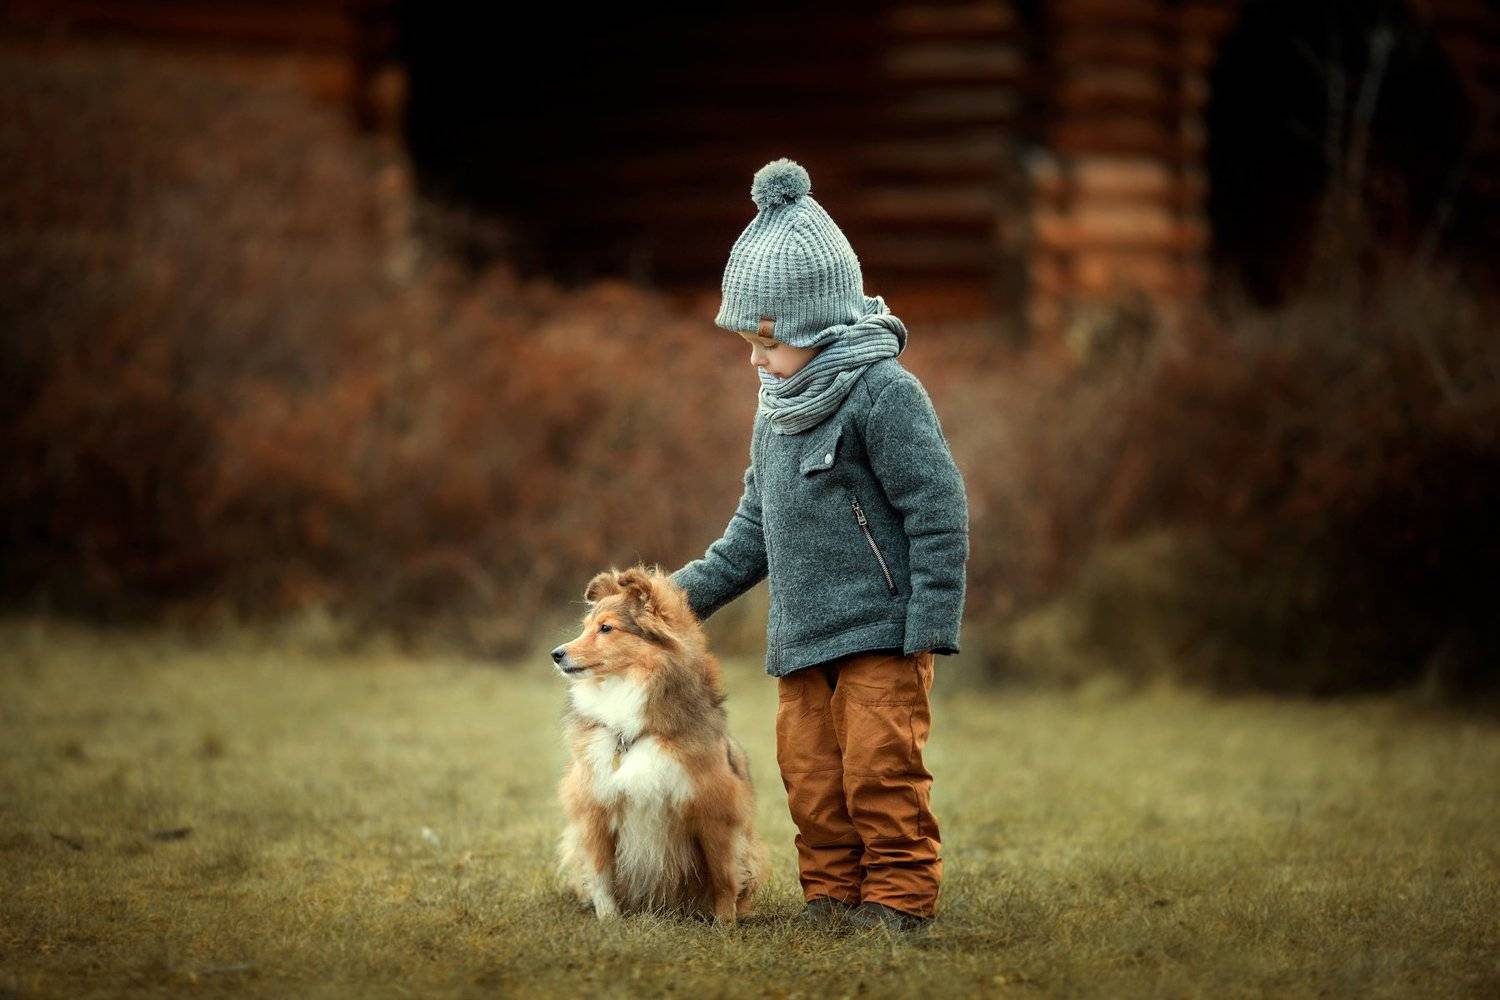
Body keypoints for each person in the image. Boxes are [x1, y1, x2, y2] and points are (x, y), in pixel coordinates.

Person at [669, 157, 969, 932]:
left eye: (767, 338)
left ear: (815, 323)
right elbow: (750, 536)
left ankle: (899, 899)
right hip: (801, 638)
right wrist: (669, 601)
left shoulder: (883, 392)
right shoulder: (775, 412)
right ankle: (831, 897)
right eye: (748, 339)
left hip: (881, 632)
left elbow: (938, 510)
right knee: (810, 779)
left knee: (879, 773)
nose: (756, 357)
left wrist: (930, 621)